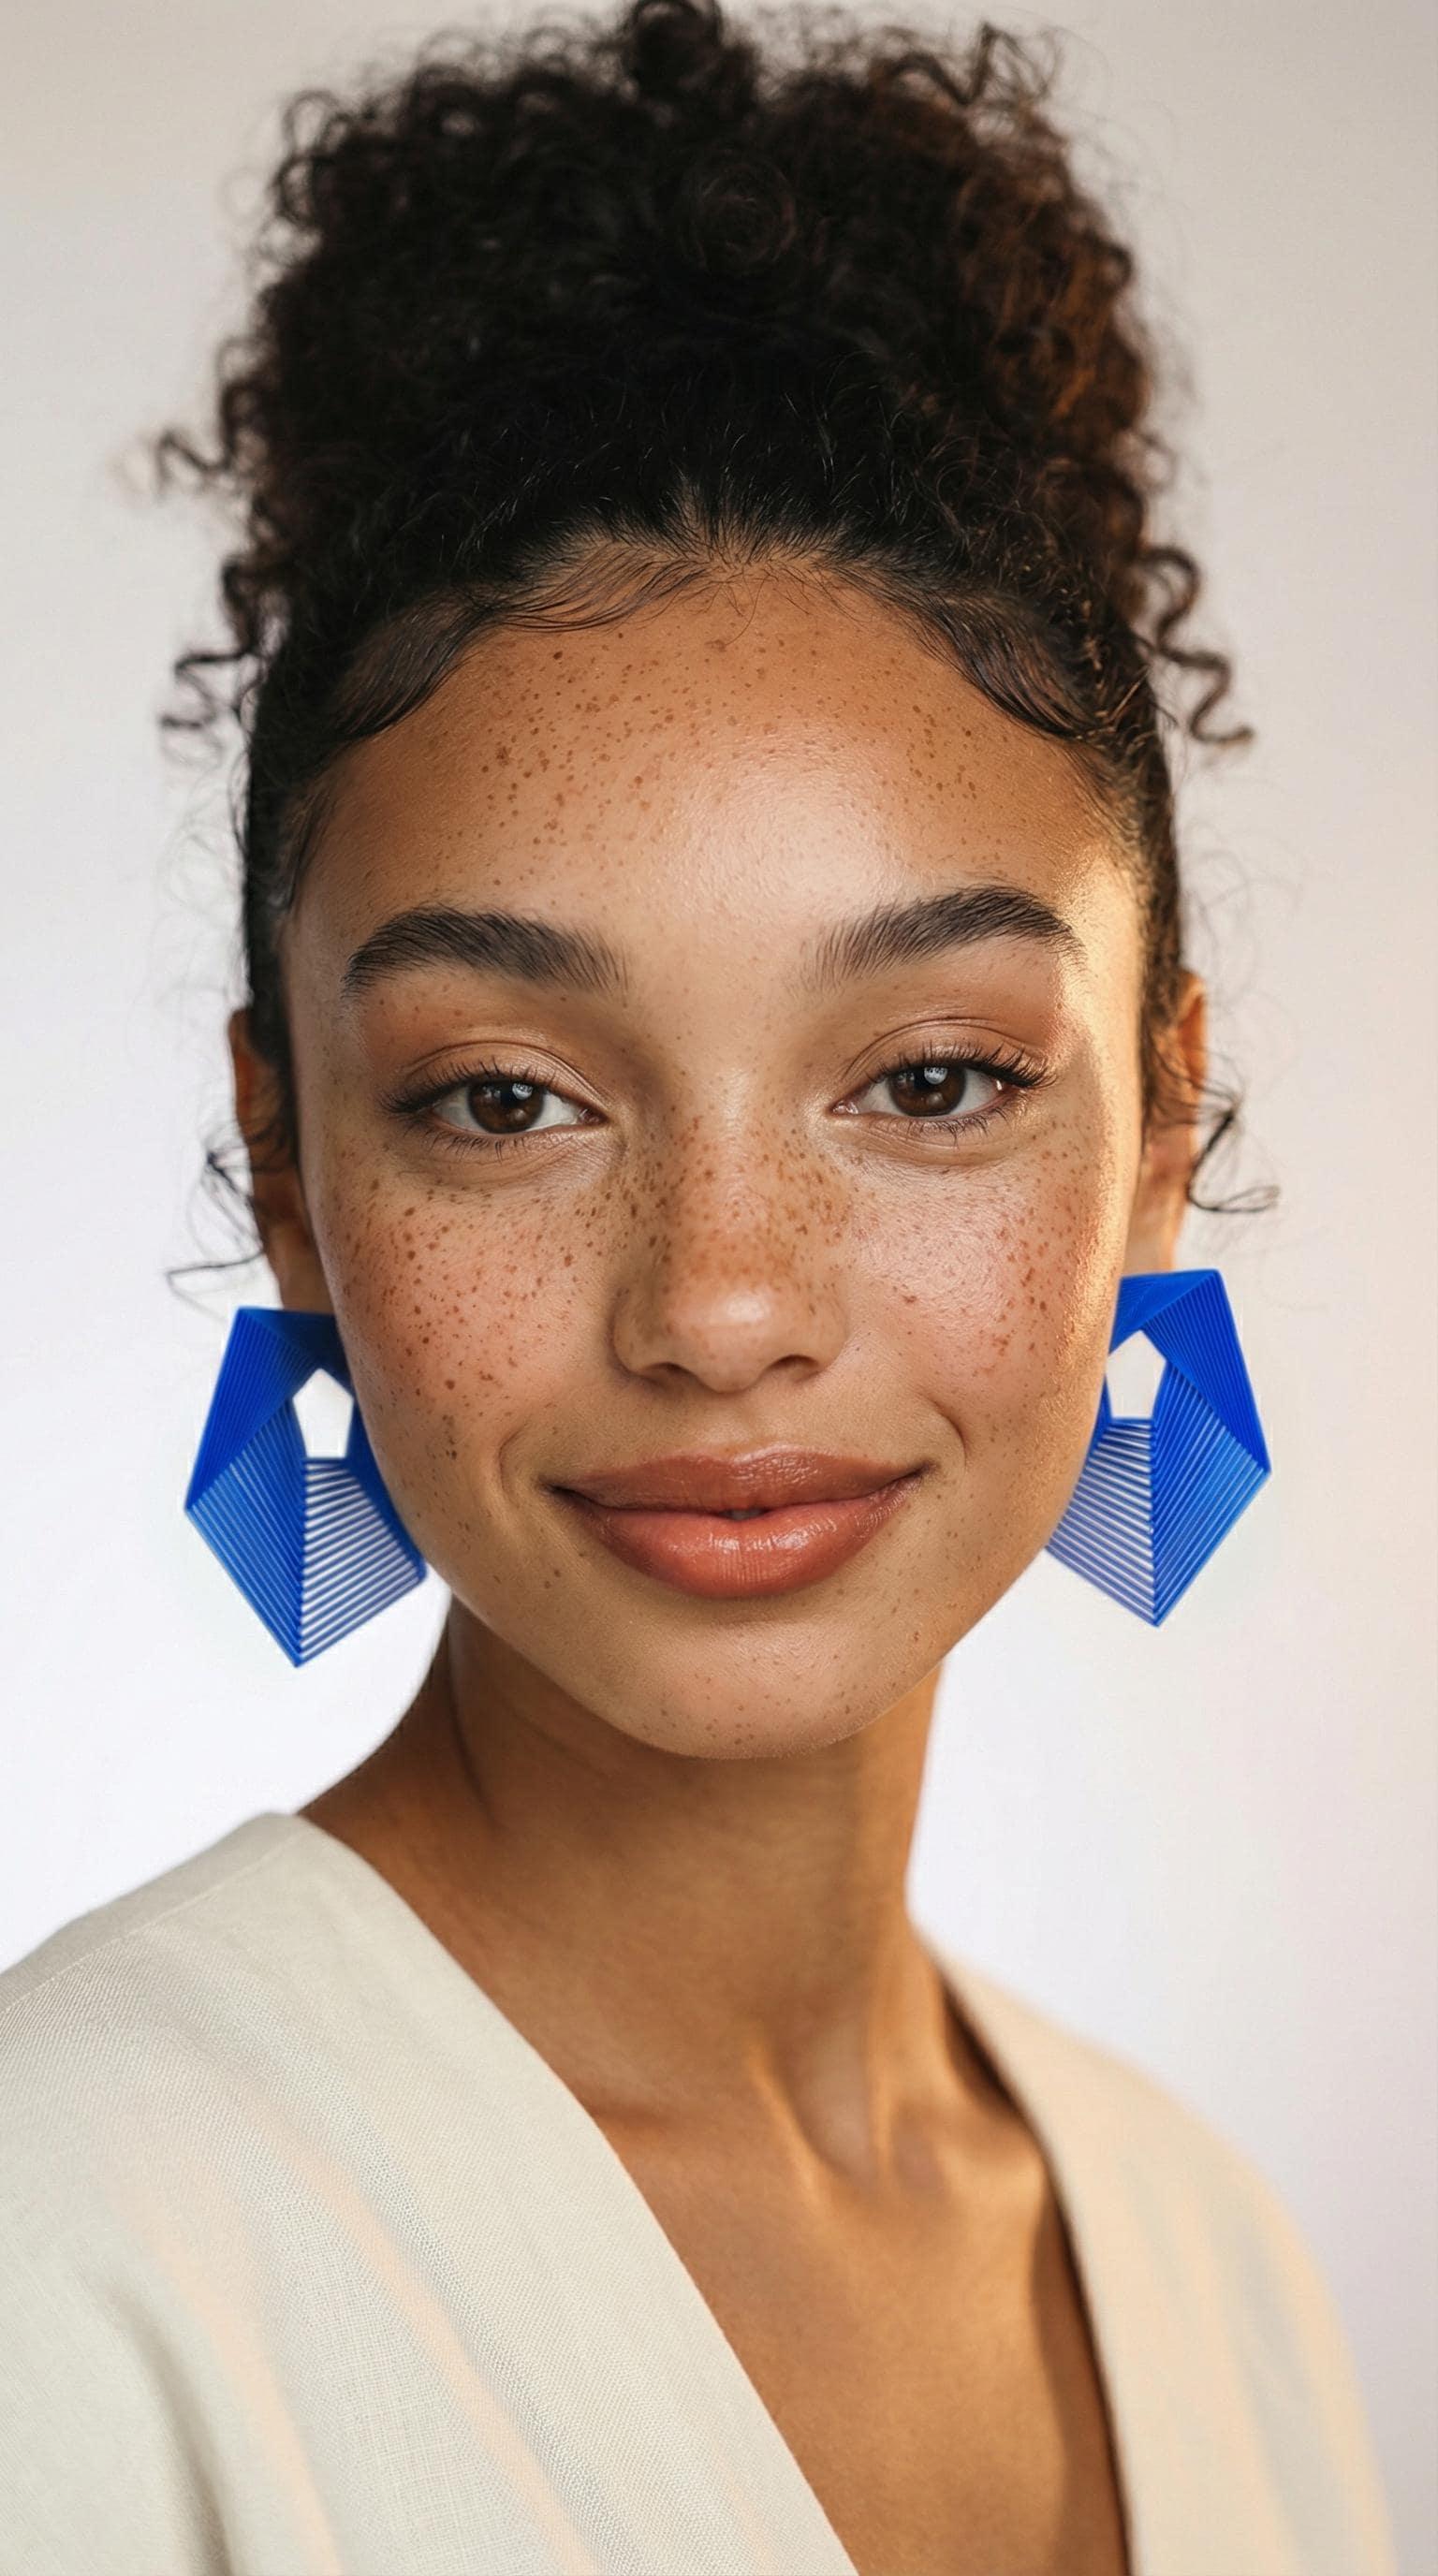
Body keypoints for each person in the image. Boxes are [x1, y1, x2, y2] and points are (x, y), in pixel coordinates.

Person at [0, 3, 1398, 2569]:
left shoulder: (1210, 2257)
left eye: (937, 1080)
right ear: (291, 1169)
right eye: (510, 1098)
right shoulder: (66, 2253)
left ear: (1161, 1127)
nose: (725, 1307)